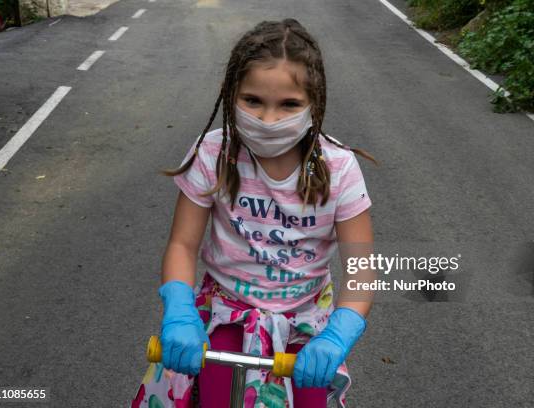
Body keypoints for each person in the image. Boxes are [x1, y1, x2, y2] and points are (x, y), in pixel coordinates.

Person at [156, 18, 377, 408]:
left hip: (307, 319)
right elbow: (182, 243)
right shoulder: (213, 154)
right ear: (231, 95)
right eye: (253, 100)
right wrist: (178, 309)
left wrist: (340, 333)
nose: (268, 120)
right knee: (215, 397)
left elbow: (361, 265)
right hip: (226, 311)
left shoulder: (338, 168)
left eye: (289, 104)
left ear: (315, 103)